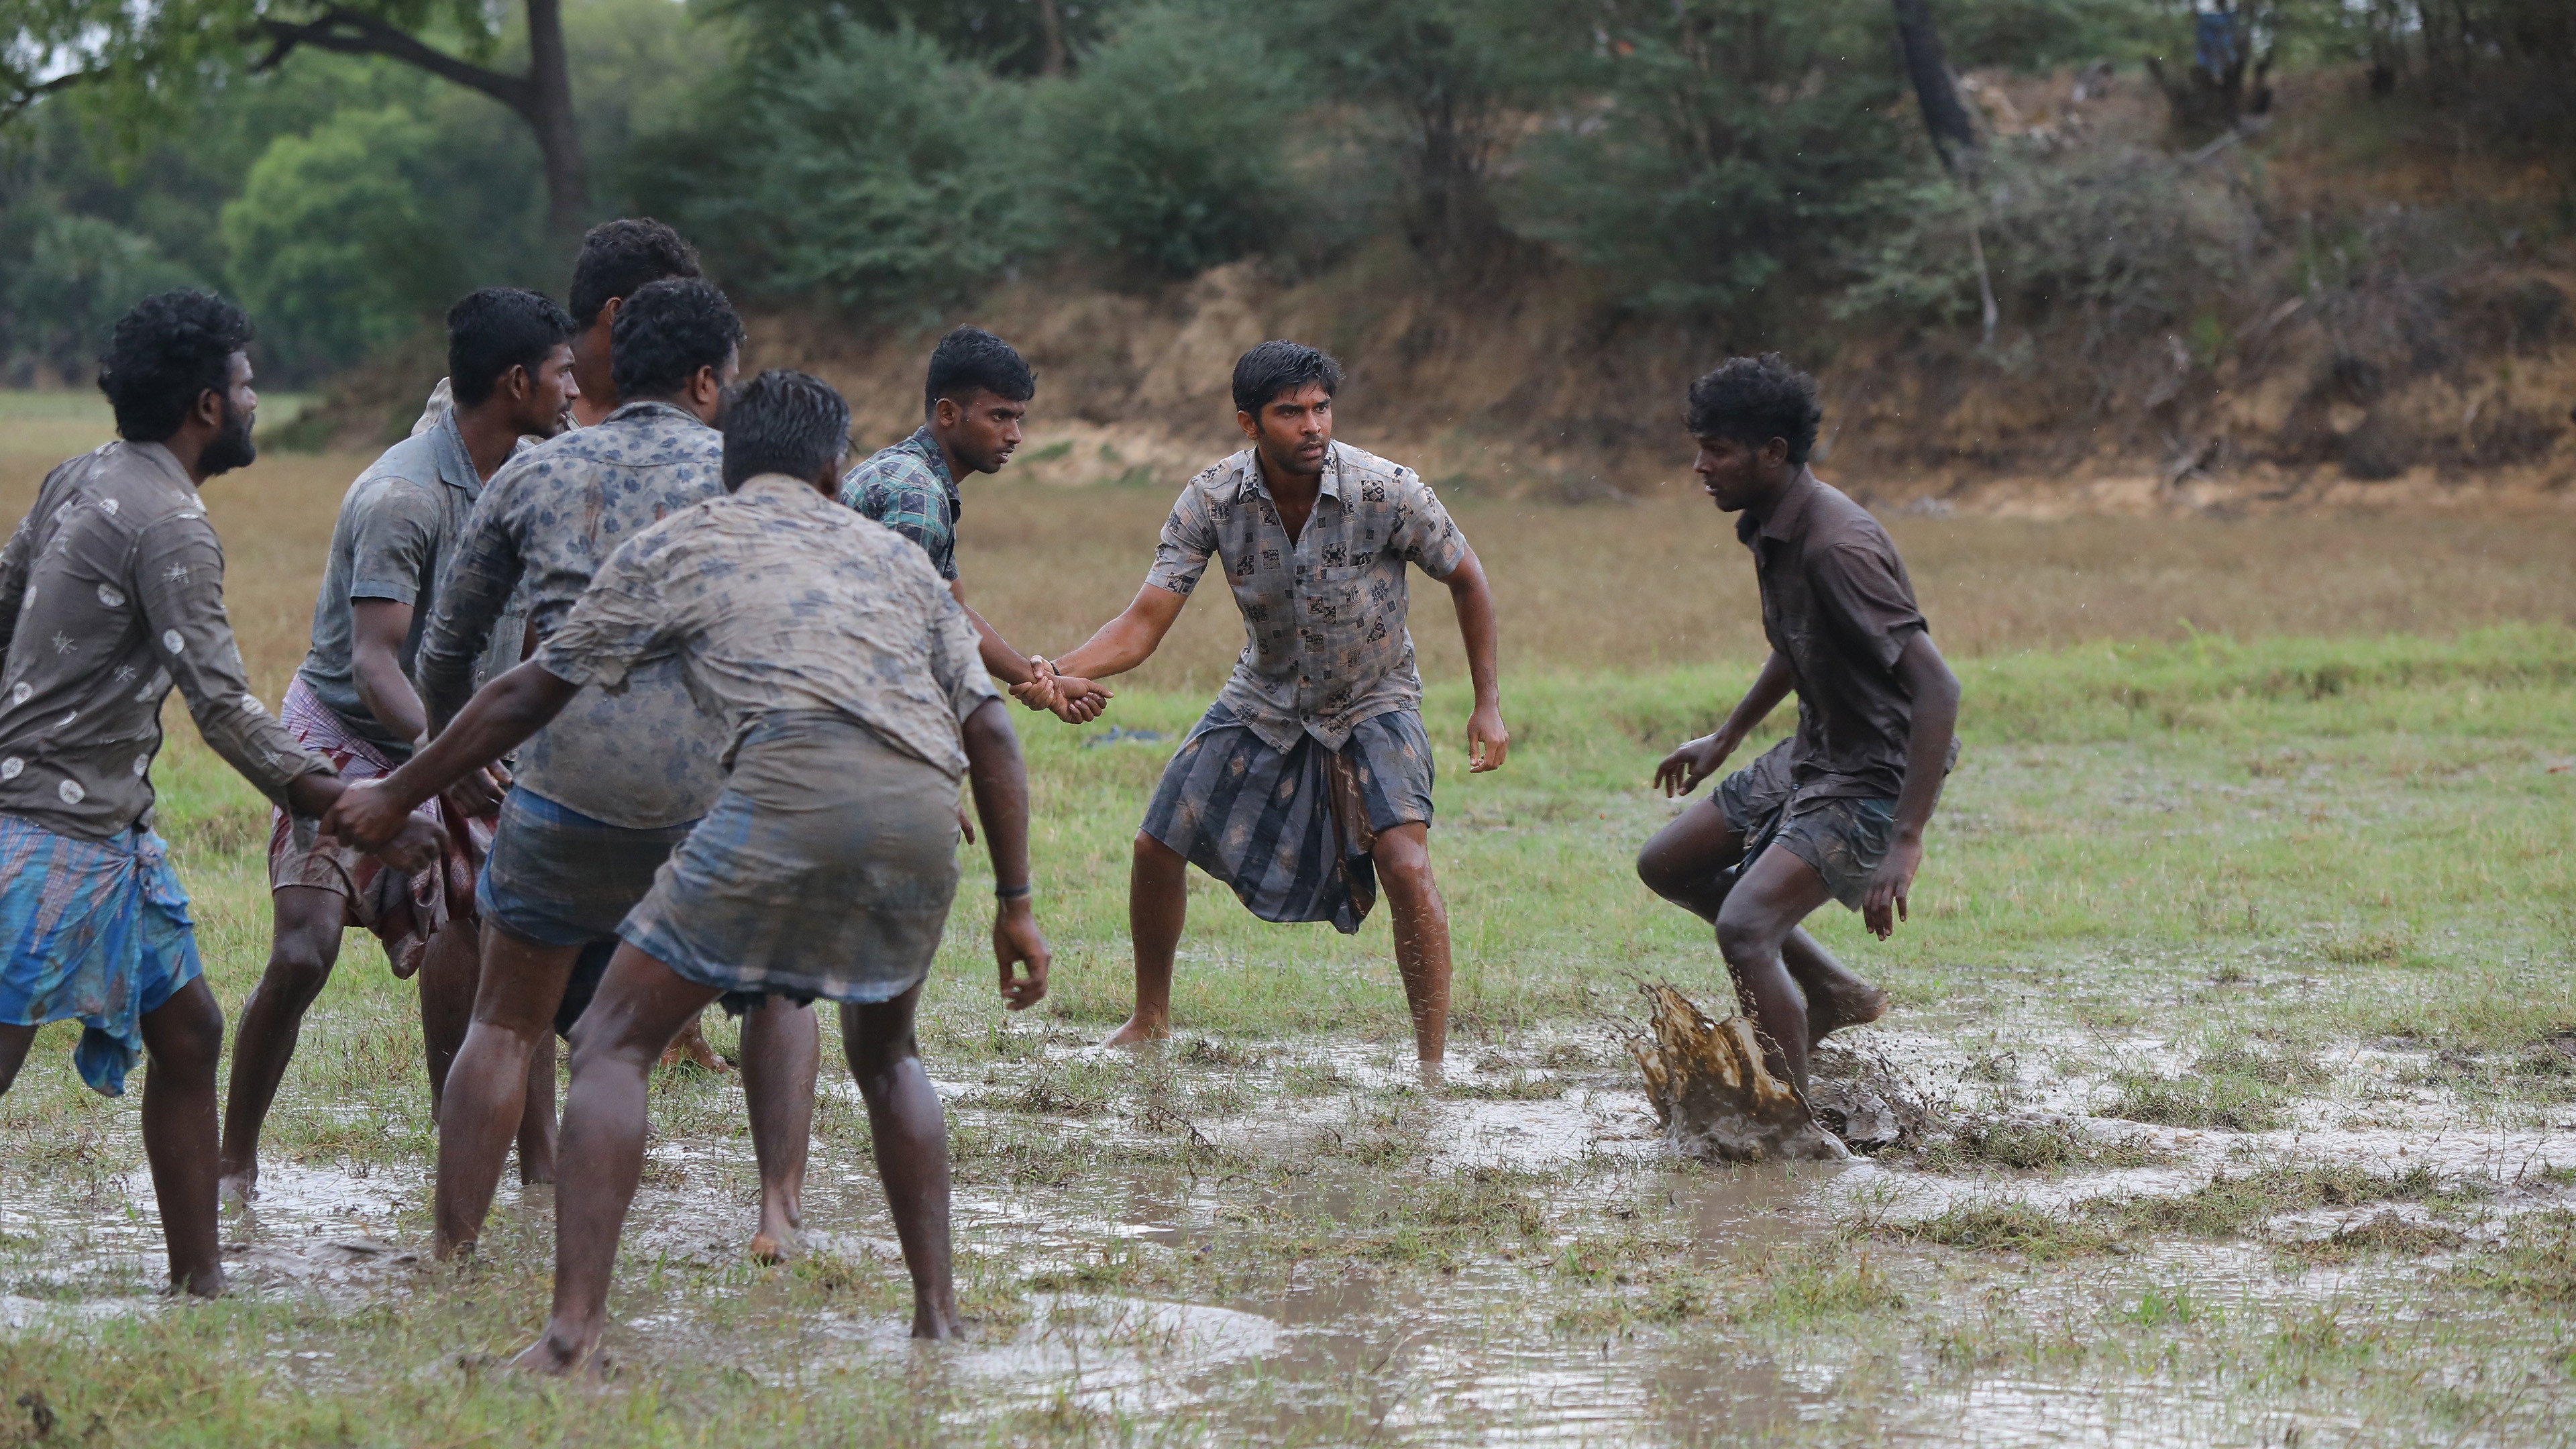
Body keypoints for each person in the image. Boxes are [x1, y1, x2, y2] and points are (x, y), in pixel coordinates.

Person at [324, 368, 1050, 1371]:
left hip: (781, 796)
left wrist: (400, 790)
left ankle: (571, 1335)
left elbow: (531, 690)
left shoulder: (684, 541)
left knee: (612, 1041)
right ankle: (937, 1318)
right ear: (833, 473)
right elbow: (993, 732)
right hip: (921, 812)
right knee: (890, 1058)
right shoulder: (895, 557)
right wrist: (1016, 904)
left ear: (729, 465)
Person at [0, 291, 438, 1296]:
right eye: (244, 385)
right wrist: (348, 803)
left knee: (191, 1030)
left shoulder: (82, 476)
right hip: (52, 833)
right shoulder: (173, 525)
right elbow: (225, 707)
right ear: (207, 406)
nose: (253, 402)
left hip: (108, 828)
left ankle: (199, 1285)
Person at [407, 278, 822, 1262]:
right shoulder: (754, 482)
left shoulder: (535, 473)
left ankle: (453, 1248)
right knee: (780, 989)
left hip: (568, 790)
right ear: (708, 382)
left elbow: (445, 649)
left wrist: (452, 760)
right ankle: (778, 1210)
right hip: (718, 798)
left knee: (505, 1020)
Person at [1044, 341, 1508, 1068]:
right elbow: (1142, 625)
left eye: (1322, 408)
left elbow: (1468, 578)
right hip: (1265, 694)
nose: (1312, 425)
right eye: (1290, 412)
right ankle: (1149, 1019)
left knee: (1405, 863)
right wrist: (1051, 672)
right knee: (1154, 846)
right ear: (1249, 423)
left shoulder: (1387, 489)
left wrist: (1487, 704)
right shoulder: (1211, 498)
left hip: (1375, 695)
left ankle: (1431, 1065)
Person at [218, 288, 578, 1207]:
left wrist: (509, 745)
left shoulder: (536, 481)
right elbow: (376, 660)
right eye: (564, 372)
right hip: (349, 731)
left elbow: (535, 631)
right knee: (303, 952)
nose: (576, 389)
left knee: (511, 947)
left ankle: (536, 1169)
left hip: (463, 736)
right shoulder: (401, 496)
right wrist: (440, 761)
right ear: (517, 382)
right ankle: (233, 1162)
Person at [411, 218, 730, 1076]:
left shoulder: (690, 427)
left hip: (627, 738)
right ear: (620, 315)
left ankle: (667, 1031)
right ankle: (475, 1103)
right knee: (476, 918)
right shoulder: (512, 406)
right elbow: (453, 598)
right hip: (508, 716)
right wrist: (450, 739)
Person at [1634, 354, 1961, 1094]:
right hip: (1818, 748)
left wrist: (1906, 838)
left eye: (1716, 450)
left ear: (1773, 452)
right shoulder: (1768, 522)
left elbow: (1938, 688)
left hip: (1876, 769)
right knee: (1668, 864)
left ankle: (1790, 1127)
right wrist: (1726, 736)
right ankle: (1835, 993)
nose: (1699, 466)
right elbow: (1797, 640)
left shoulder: (1838, 546)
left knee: (1746, 929)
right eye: (1700, 447)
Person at [841, 326, 1107, 723]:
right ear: (948, 413)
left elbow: (951, 609)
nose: (1015, 436)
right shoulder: (916, 493)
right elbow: (905, 626)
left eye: (1018, 418)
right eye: (999, 417)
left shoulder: (912, 473)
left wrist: (1037, 679)